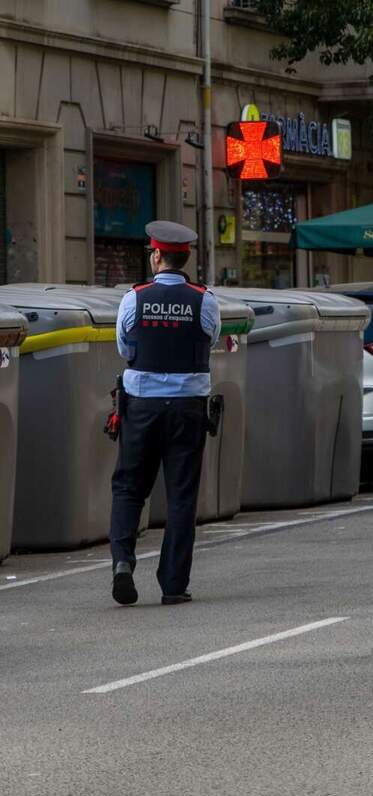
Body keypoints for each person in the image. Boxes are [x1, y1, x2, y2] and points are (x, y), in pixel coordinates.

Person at [109, 220, 220, 607]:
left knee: (128, 488)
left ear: (156, 255)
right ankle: (174, 585)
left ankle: (123, 562)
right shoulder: (204, 298)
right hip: (188, 408)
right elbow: (211, 339)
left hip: (141, 406)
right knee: (181, 495)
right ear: (185, 257)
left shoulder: (133, 298)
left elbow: (125, 348)